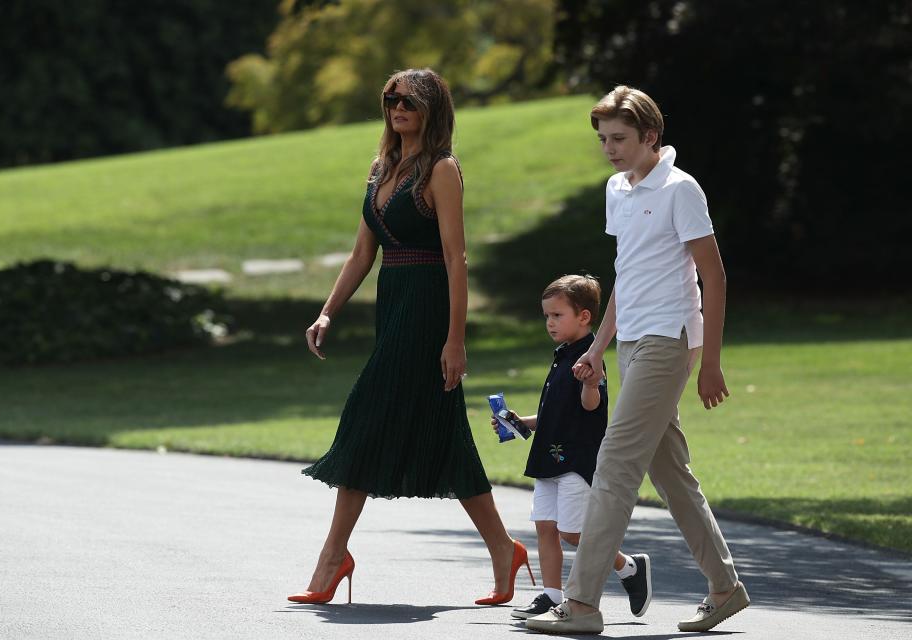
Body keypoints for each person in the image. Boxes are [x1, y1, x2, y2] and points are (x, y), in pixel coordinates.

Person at [289, 68, 533, 607]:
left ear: (431, 110)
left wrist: (455, 340)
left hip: (427, 312)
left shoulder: (442, 170)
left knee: (364, 418)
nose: (398, 107)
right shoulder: (380, 169)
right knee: (444, 433)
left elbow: (454, 258)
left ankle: (333, 557)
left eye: (409, 101)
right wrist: (328, 311)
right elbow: (361, 254)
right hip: (393, 304)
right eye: (391, 99)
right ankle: (503, 548)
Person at [526, 86, 750, 634]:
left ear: (651, 136)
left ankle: (580, 604)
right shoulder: (616, 190)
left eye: (619, 138)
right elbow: (626, 276)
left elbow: (714, 275)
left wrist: (712, 362)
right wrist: (598, 349)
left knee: (615, 464)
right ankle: (725, 588)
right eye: (603, 139)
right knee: (669, 469)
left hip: (670, 339)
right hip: (631, 342)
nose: (609, 148)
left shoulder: (680, 189)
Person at [491, 275, 652, 621]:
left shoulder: (591, 358)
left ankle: (629, 568)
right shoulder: (563, 355)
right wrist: (521, 422)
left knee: (573, 533)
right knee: (545, 526)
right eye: (547, 315)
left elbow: (592, 406)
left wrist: (592, 384)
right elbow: (555, 412)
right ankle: (551, 594)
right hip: (548, 457)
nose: (550, 322)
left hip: (576, 460)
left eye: (557, 315)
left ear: (584, 317)